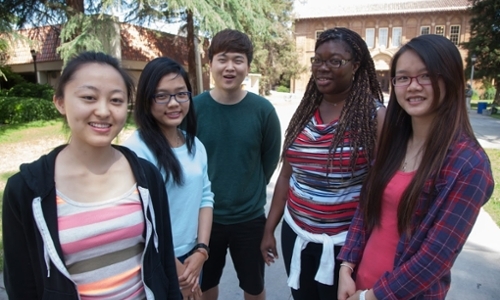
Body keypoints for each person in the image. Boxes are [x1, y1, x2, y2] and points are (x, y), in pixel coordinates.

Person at [2, 52, 181, 299]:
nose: (104, 111)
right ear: (60, 102)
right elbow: (21, 286)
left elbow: (164, 266)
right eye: (89, 97)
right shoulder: (25, 190)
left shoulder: (146, 176)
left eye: (116, 100)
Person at [337, 35, 494, 300]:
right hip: (359, 285)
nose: (413, 86)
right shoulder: (394, 142)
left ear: (451, 79)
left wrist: (370, 297)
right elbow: (366, 209)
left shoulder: (469, 164)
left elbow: (435, 257)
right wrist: (346, 266)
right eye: (403, 77)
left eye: (425, 76)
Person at [260, 27, 386, 300]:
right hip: (296, 235)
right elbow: (286, 176)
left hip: (345, 248)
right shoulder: (306, 110)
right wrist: (270, 228)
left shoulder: (374, 117)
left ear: (356, 66)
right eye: (317, 60)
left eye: (335, 61)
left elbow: (381, 189)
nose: (322, 68)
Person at [193, 29, 282, 300]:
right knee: (204, 284)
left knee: (254, 287)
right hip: (204, 218)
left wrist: (248, 189)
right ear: (210, 64)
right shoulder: (194, 109)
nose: (230, 67)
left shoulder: (263, 111)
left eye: (238, 59)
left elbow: (269, 160)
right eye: (222, 59)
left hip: (250, 219)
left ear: (248, 66)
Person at [123, 57, 214, 300]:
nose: (173, 103)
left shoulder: (196, 145)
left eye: (181, 94)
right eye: (162, 96)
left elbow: (205, 197)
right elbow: (140, 219)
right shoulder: (136, 149)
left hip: (192, 256)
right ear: (146, 100)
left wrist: (201, 251)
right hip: (155, 260)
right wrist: (180, 273)